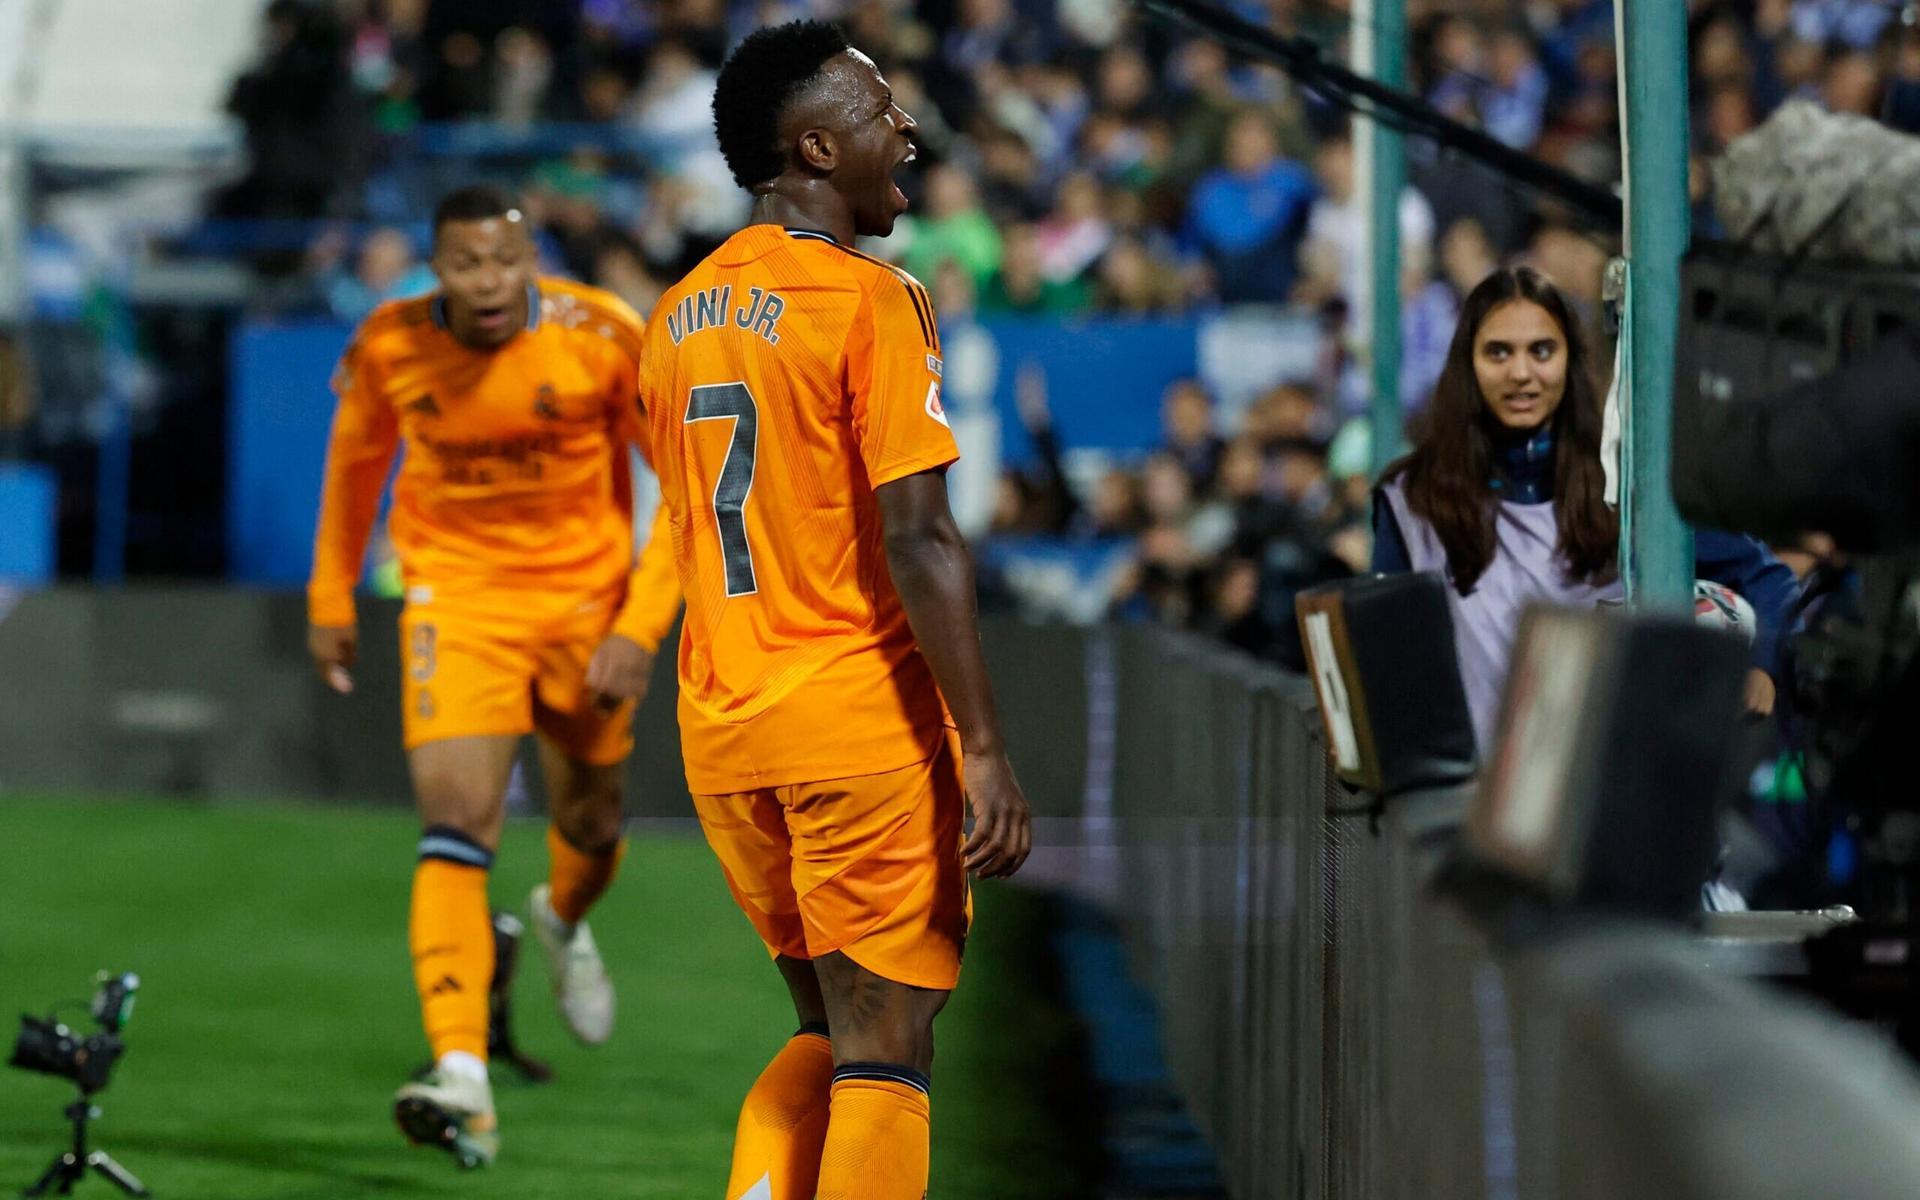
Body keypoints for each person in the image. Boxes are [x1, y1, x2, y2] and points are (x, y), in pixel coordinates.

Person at [638, 22, 1032, 1200]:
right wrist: (987, 747)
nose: (904, 128)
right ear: (815, 146)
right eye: (880, 112)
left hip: (727, 730)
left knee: (828, 1033)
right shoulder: (870, 298)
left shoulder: (676, 316)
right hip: (851, 719)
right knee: (886, 1052)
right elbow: (920, 536)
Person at [306, 185, 681, 1168]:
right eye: (465, 264)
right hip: (456, 603)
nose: (485, 283)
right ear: (439, 266)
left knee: (592, 824)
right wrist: (332, 599)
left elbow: (684, 494)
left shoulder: (601, 333)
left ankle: (560, 919)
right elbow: (353, 469)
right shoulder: (389, 343)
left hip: (586, 611)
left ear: (531, 263)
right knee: (456, 821)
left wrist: (642, 626)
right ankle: (461, 1072)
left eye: (503, 263)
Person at [1374, 266, 1793, 751]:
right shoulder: (1412, 500)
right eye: (1498, 352)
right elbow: (1385, 661)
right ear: (1467, 365)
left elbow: (1769, 579)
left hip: (1607, 797)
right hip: (1466, 807)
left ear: (1570, 360)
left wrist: (1763, 664)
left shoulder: (1630, 487)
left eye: (1542, 351)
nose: (1521, 373)